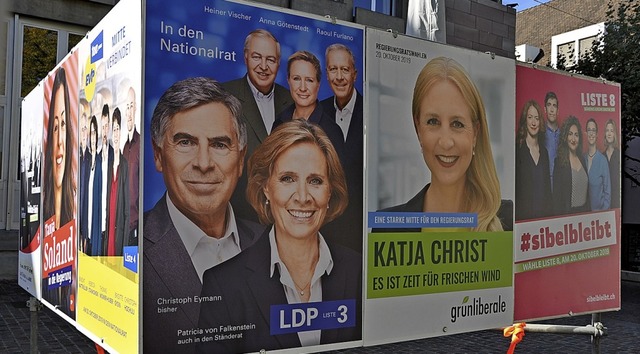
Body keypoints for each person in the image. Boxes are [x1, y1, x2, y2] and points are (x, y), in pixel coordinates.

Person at [197, 120, 361, 353]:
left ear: (329, 191)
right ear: (266, 188)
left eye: (315, 181)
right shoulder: (223, 286)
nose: (303, 197)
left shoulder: (358, 273)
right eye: (287, 179)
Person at [144, 77, 264, 354]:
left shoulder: (269, 242)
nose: (203, 163)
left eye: (220, 144)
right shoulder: (127, 246)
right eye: (185, 142)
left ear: (241, 160)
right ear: (159, 156)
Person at [380, 57, 511, 232]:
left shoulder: (508, 220)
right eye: (433, 121)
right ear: (418, 128)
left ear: (475, 134)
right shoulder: (388, 229)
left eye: (457, 124)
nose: (446, 142)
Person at [224, 29, 293, 222]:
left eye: (270, 59)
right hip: (239, 216)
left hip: (283, 216)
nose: (263, 66)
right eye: (257, 57)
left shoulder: (292, 100)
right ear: (245, 57)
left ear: (278, 63)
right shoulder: (224, 96)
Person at [320, 44, 363, 252]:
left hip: (359, 226)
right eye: (333, 69)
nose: (339, 77)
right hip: (327, 225)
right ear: (326, 74)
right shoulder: (319, 111)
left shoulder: (370, 109)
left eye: (344, 70)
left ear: (354, 74)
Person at [42, 66, 75, 318]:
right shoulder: (41, 223)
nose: (60, 139)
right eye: (55, 127)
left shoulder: (77, 215)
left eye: (64, 124)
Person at [273, 51, 345, 168]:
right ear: (288, 80)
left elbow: (337, 182)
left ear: (318, 84)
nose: (302, 88)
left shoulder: (332, 132)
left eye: (309, 80)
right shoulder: (279, 124)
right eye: (296, 78)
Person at [515, 100, 551, 220]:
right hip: (523, 220)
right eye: (530, 117)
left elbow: (547, 191)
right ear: (525, 120)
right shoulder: (517, 150)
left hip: (543, 220)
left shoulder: (544, 153)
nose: (534, 122)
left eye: (537, 118)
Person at [104, 108, 130, 256]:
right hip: (107, 236)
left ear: (121, 132)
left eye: (117, 129)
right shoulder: (107, 165)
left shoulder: (125, 165)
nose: (115, 134)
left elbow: (127, 212)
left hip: (119, 236)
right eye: (113, 130)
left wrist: (124, 245)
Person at [552, 116, 589, 215]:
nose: (573, 139)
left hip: (585, 216)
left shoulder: (583, 160)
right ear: (565, 137)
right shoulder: (559, 163)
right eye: (570, 134)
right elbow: (556, 199)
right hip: (568, 217)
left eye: (576, 135)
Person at [122, 87, 140, 242]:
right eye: (127, 107)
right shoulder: (124, 148)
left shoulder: (140, 145)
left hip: (135, 228)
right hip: (122, 227)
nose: (129, 112)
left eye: (131, 106)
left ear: (136, 110)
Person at [584, 118, 611, 211]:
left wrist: (603, 213)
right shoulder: (582, 159)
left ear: (597, 134)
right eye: (589, 130)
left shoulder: (603, 160)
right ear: (586, 133)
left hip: (598, 216)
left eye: (593, 130)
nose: (591, 133)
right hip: (583, 214)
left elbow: (607, 192)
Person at [87, 115, 103, 256]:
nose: (92, 137)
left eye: (94, 133)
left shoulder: (100, 161)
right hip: (86, 223)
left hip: (96, 221)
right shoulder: (85, 161)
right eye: (90, 133)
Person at [78, 100, 91, 253]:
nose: (83, 133)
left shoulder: (92, 158)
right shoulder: (73, 158)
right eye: (81, 128)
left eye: (86, 128)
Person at [544, 91, 560, 190]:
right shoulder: (540, 133)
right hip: (545, 182)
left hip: (560, 181)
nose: (552, 109)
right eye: (549, 105)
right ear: (545, 109)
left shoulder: (564, 135)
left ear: (558, 110)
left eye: (554, 105)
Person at [603, 119, 620, 208]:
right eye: (607, 130)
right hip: (604, 202)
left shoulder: (618, 155)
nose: (609, 133)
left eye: (612, 131)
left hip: (617, 201)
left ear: (615, 134)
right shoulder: (601, 157)